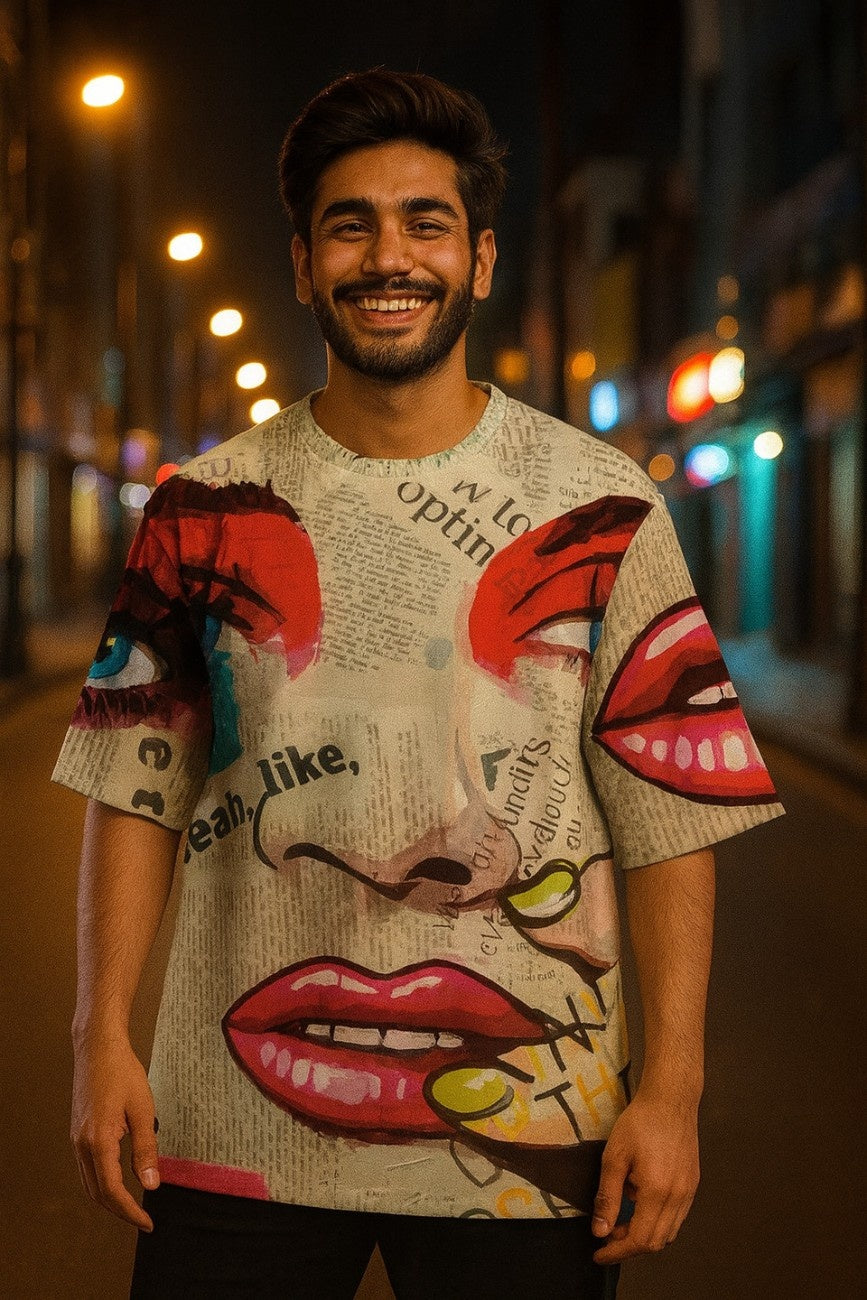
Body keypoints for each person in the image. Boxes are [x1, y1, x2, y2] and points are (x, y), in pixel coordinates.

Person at [54, 69, 784, 1299]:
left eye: (425, 221)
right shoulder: (197, 512)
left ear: (483, 260)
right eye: (351, 223)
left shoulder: (602, 506)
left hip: (534, 1133)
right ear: (302, 264)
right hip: (230, 1133)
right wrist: (98, 1040)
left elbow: (667, 822)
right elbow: (135, 792)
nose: (389, 255)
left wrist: (672, 1088)